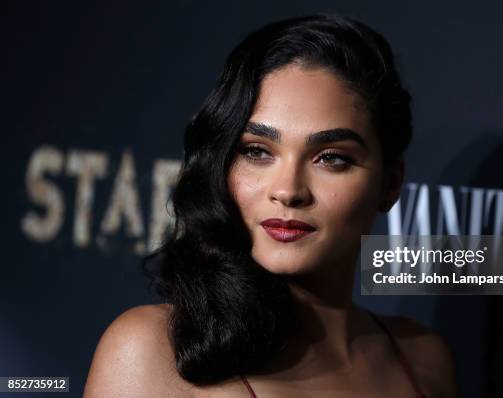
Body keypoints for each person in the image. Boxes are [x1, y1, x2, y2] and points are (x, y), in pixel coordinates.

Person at [84, 14, 457, 398]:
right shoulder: (149, 352)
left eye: (331, 158)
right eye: (257, 151)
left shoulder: (424, 358)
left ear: (391, 182)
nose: (288, 190)